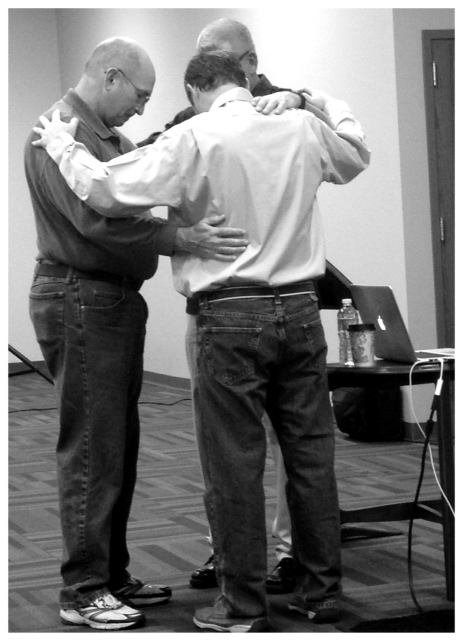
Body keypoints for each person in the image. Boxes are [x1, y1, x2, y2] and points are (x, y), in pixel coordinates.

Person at [32, 49, 370, 631]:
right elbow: (357, 150)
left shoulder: (193, 136)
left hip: (230, 315)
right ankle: (322, 594)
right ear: (246, 80)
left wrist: (63, 145)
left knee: (233, 465)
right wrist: (309, 97)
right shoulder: (300, 125)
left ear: (195, 91)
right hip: (301, 310)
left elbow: (106, 192)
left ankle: (241, 608)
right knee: (311, 458)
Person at [24, 37, 250, 632]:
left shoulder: (112, 141)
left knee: (117, 445)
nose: (142, 108)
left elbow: (141, 189)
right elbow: (93, 223)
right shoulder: (56, 132)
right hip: (79, 295)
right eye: (140, 95)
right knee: (93, 447)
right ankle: (83, 590)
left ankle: (111, 574)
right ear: (111, 77)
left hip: (111, 299)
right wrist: (180, 239)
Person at [139, 18, 323, 594]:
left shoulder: (289, 109)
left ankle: (290, 556)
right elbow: (152, 157)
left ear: (248, 62)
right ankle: (230, 554)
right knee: (222, 450)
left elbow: (342, 149)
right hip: (214, 307)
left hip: (268, 299)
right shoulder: (191, 119)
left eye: (216, 57)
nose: (206, 69)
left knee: (293, 448)